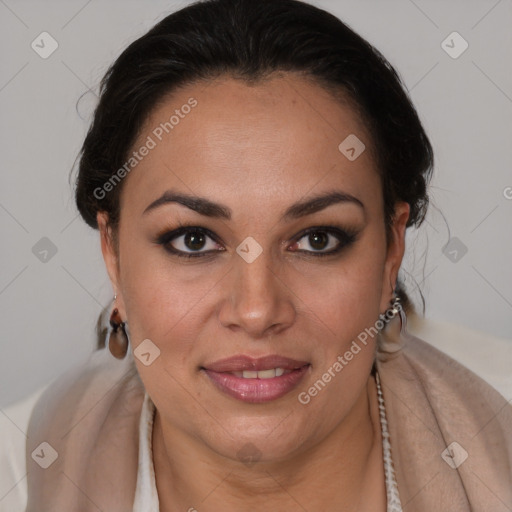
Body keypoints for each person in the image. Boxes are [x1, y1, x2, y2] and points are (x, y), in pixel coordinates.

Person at [6, 0, 512, 510]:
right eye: (194, 240)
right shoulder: (21, 471)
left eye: (318, 239)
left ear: (390, 252)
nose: (256, 310)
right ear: (113, 256)